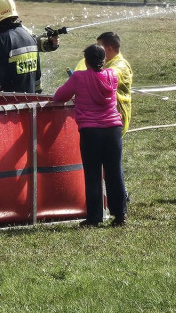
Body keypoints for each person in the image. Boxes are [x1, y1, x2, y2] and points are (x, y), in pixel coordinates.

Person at [53, 44, 126, 226]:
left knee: (93, 174)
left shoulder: (79, 77)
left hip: (90, 131)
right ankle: (120, 214)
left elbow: (59, 97)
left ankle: (94, 217)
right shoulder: (112, 76)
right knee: (114, 171)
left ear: (86, 61)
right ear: (104, 60)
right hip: (113, 130)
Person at [0, 0, 59, 93]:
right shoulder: (29, 37)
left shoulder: (0, 41)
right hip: (29, 102)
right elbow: (37, 83)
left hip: (7, 105)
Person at [75, 32, 133, 132]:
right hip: (107, 117)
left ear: (109, 49)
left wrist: (80, 78)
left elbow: (104, 77)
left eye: (100, 47)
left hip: (117, 116)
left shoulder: (120, 66)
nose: (97, 50)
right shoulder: (108, 62)